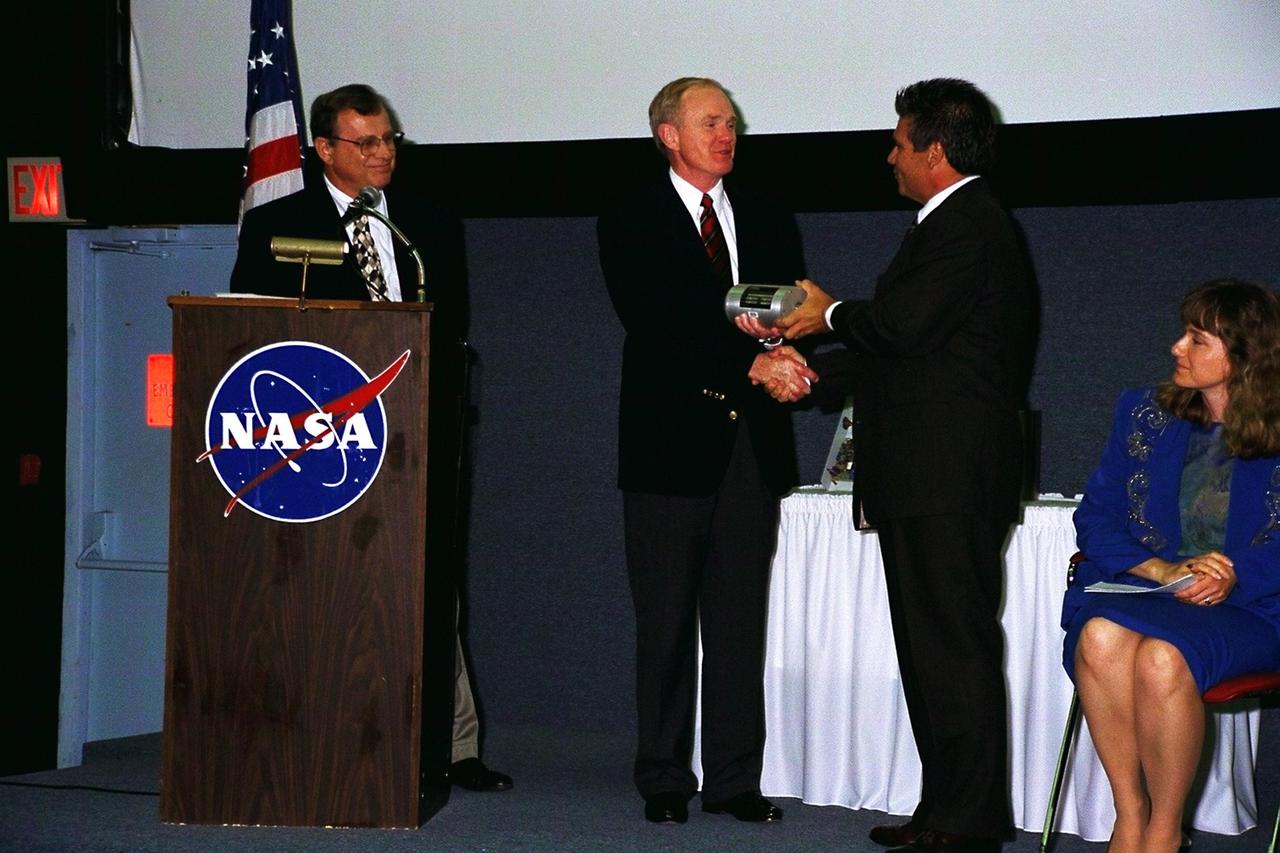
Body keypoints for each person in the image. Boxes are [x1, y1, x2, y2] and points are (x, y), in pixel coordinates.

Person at [743, 78, 1035, 852]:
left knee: (953, 646)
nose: (890, 155)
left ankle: (968, 822)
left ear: (934, 152)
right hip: (926, 472)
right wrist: (803, 367)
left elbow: (898, 327)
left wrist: (825, 313)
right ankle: (944, 808)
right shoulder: (946, 225)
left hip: (947, 474)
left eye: (900, 142)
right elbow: (903, 355)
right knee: (931, 648)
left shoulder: (967, 223)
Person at [229, 83, 511, 794]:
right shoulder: (278, 223)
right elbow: (249, 334)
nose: (384, 153)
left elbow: (451, 328)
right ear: (324, 150)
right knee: (324, 583)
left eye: (390, 139)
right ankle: (317, 732)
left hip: (421, 429)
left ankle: (454, 746)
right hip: (322, 443)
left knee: (430, 579)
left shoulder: (428, 222)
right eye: (367, 142)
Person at [596, 76, 814, 826]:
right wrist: (750, 362)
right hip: (667, 444)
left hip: (750, 446)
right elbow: (658, 322)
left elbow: (784, 312)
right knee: (664, 620)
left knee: (736, 620)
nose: (727, 133)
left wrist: (788, 352)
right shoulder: (631, 216)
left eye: (732, 122)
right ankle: (662, 773)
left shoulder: (764, 214)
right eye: (711, 121)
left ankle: (732, 779)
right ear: (668, 134)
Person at [1061, 279, 1280, 853]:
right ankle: (1129, 813)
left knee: (1162, 659)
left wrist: (1233, 571)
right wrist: (1159, 570)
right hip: (1152, 593)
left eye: (1197, 339)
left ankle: (1164, 830)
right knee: (1101, 635)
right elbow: (1097, 517)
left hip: (1253, 607)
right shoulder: (1144, 414)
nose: (1176, 348)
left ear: (1243, 355)